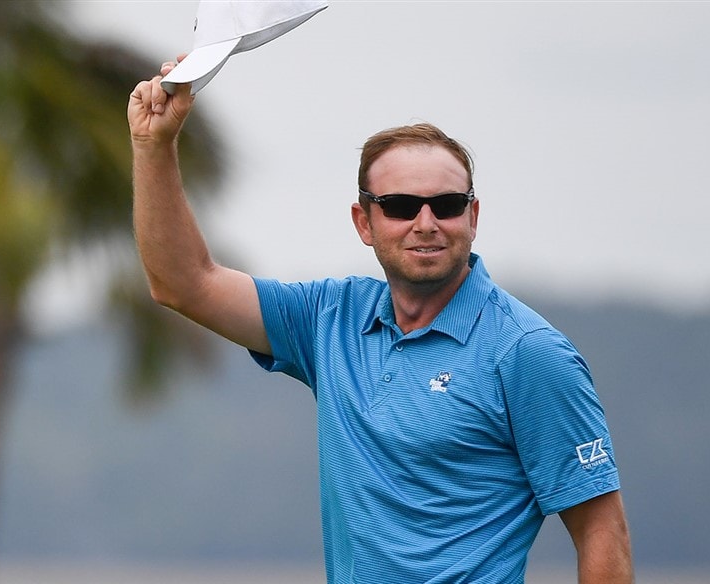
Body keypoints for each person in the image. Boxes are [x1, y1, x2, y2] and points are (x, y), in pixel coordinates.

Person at [127, 58, 633, 583]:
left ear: (474, 217)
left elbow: (602, 530)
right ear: (363, 222)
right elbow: (183, 283)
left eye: (448, 204)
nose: (426, 223)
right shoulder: (329, 319)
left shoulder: (526, 351)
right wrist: (152, 145)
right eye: (400, 205)